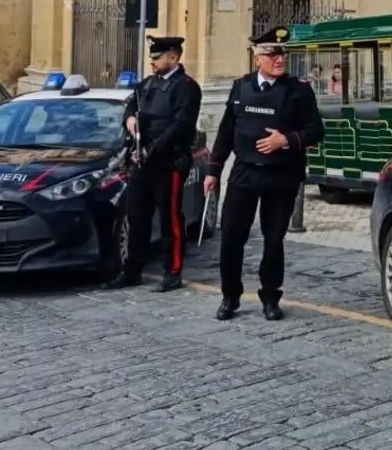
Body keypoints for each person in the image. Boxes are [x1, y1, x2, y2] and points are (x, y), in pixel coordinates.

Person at [207, 26, 323, 321]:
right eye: (272, 54)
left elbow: (315, 130)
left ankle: (271, 297)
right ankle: (229, 296)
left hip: (281, 175)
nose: (279, 59)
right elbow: (226, 130)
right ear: (257, 57)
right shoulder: (241, 87)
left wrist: (285, 140)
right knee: (232, 236)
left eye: (281, 53)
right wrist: (214, 170)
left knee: (274, 240)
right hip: (245, 173)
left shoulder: (299, 89)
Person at [104, 35, 203, 293]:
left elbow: (180, 126)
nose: (152, 62)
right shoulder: (147, 84)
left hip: (168, 162)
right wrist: (129, 121)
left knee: (170, 219)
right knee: (137, 218)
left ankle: (172, 271)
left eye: (157, 58)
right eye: (151, 57)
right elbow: (130, 107)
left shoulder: (186, 87)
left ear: (173, 57)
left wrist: (152, 149)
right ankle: (132, 270)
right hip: (142, 163)